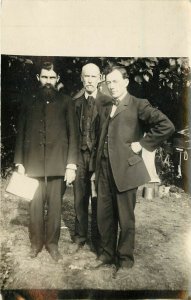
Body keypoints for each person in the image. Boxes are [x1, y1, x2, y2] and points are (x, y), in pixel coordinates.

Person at [95, 65, 175, 274]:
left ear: (126, 82)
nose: (111, 86)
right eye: (108, 82)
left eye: (115, 81)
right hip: (103, 169)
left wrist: (143, 143)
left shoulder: (139, 104)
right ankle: (106, 254)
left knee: (125, 217)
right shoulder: (105, 106)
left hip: (125, 170)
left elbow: (166, 126)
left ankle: (125, 259)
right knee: (104, 214)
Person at [14, 61, 78, 261]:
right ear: (38, 78)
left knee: (55, 208)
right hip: (32, 164)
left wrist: (71, 164)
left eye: (51, 78)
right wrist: (19, 162)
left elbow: (73, 135)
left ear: (57, 79)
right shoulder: (28, 101)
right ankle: (35, 244)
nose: (48, 81)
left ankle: (52, 244)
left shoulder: (67, 102)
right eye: (44, 77)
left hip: (58, 164)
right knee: (34, 207)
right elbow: (21, 132)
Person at [73, 63, 111, 252]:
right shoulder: (76, 102)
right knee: (80, 197)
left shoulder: (108, 102)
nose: (89, 80)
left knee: (98, 198)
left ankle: (96, 238)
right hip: (80, 156)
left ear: (100, 78)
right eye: (86, 76)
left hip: (98, 159)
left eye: (93, 77)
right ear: (81, 78)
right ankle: (80, 236)